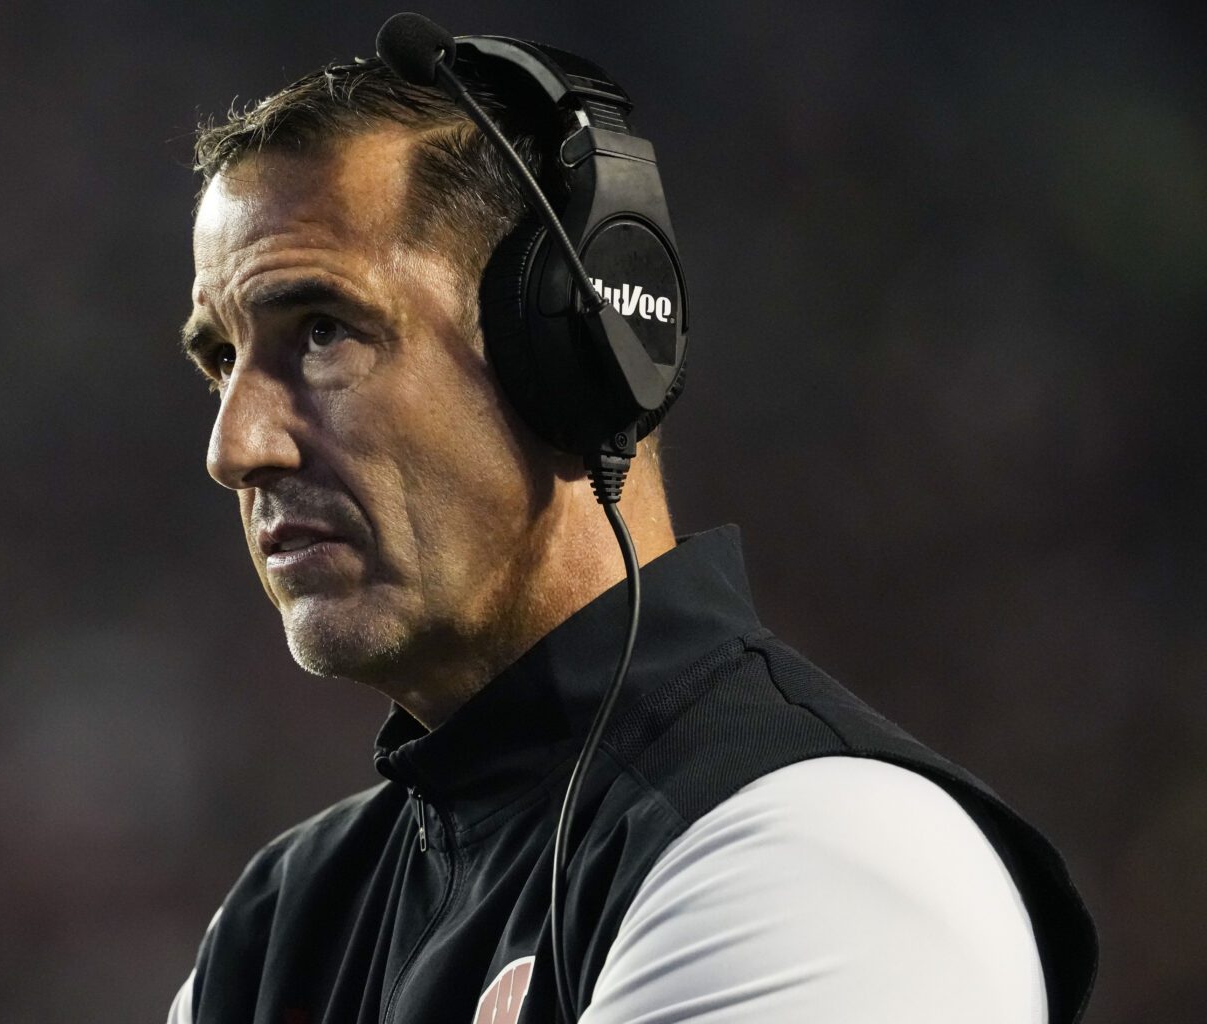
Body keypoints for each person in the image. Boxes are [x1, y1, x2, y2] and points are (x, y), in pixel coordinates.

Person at [168, 35, 1097, 1024]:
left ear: (580, 347)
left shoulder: (817, 853)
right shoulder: (278, 929)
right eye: (222, 358)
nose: (238, 446)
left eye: (322, 331)